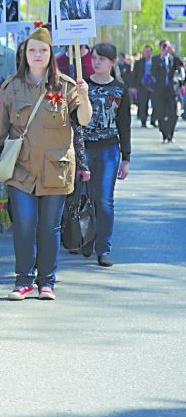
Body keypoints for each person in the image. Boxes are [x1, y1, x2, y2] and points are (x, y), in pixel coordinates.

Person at [0, 27, 91, 301]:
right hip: (21, 167)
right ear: (24, 54)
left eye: (43, 50)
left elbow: (84, 120)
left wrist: (85, 95)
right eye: (32, 50)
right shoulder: (11, 86)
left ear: (51, 53)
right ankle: (23, 279)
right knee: (23, 223)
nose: (37, 54)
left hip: (56, 168)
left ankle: (47, 281)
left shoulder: (66, 85)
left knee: (49, 227)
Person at [84, 43, 131, 267]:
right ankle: (83, 238)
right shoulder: (82, 84)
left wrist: (126, 158)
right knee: (84, 198)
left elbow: (125, 125)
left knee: (104, 200)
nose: (97, 61)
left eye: (102, 58)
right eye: (94, 57)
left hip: (109, 149)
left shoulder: (120, 89)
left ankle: (103, 248)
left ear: (112, 62)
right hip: (83, 147)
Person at [151, 39, 184, 143]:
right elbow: (153, 71)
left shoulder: (173, 58)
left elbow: (180, 64)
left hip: (172, 90)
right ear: (160, 47)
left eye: (167, 46)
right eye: (164, 46)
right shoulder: (156, 59)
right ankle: (165, 134)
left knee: (173, 114)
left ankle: (171, 133)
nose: (166, 48)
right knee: (161, 114)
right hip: (160, 91)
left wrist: (173, 52)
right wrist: (162, 56)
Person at [131, 45, 156, 127]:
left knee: (155, 104)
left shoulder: (155, 61)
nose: (147, 53)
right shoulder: (138, 62)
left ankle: (153, 120)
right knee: (143, 104)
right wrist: (134, 87)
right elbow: (134, 75)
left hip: (153, 86)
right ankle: (143, 121)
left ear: (151, 52)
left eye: (148, 51)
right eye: (145, 51)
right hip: (142, 85)